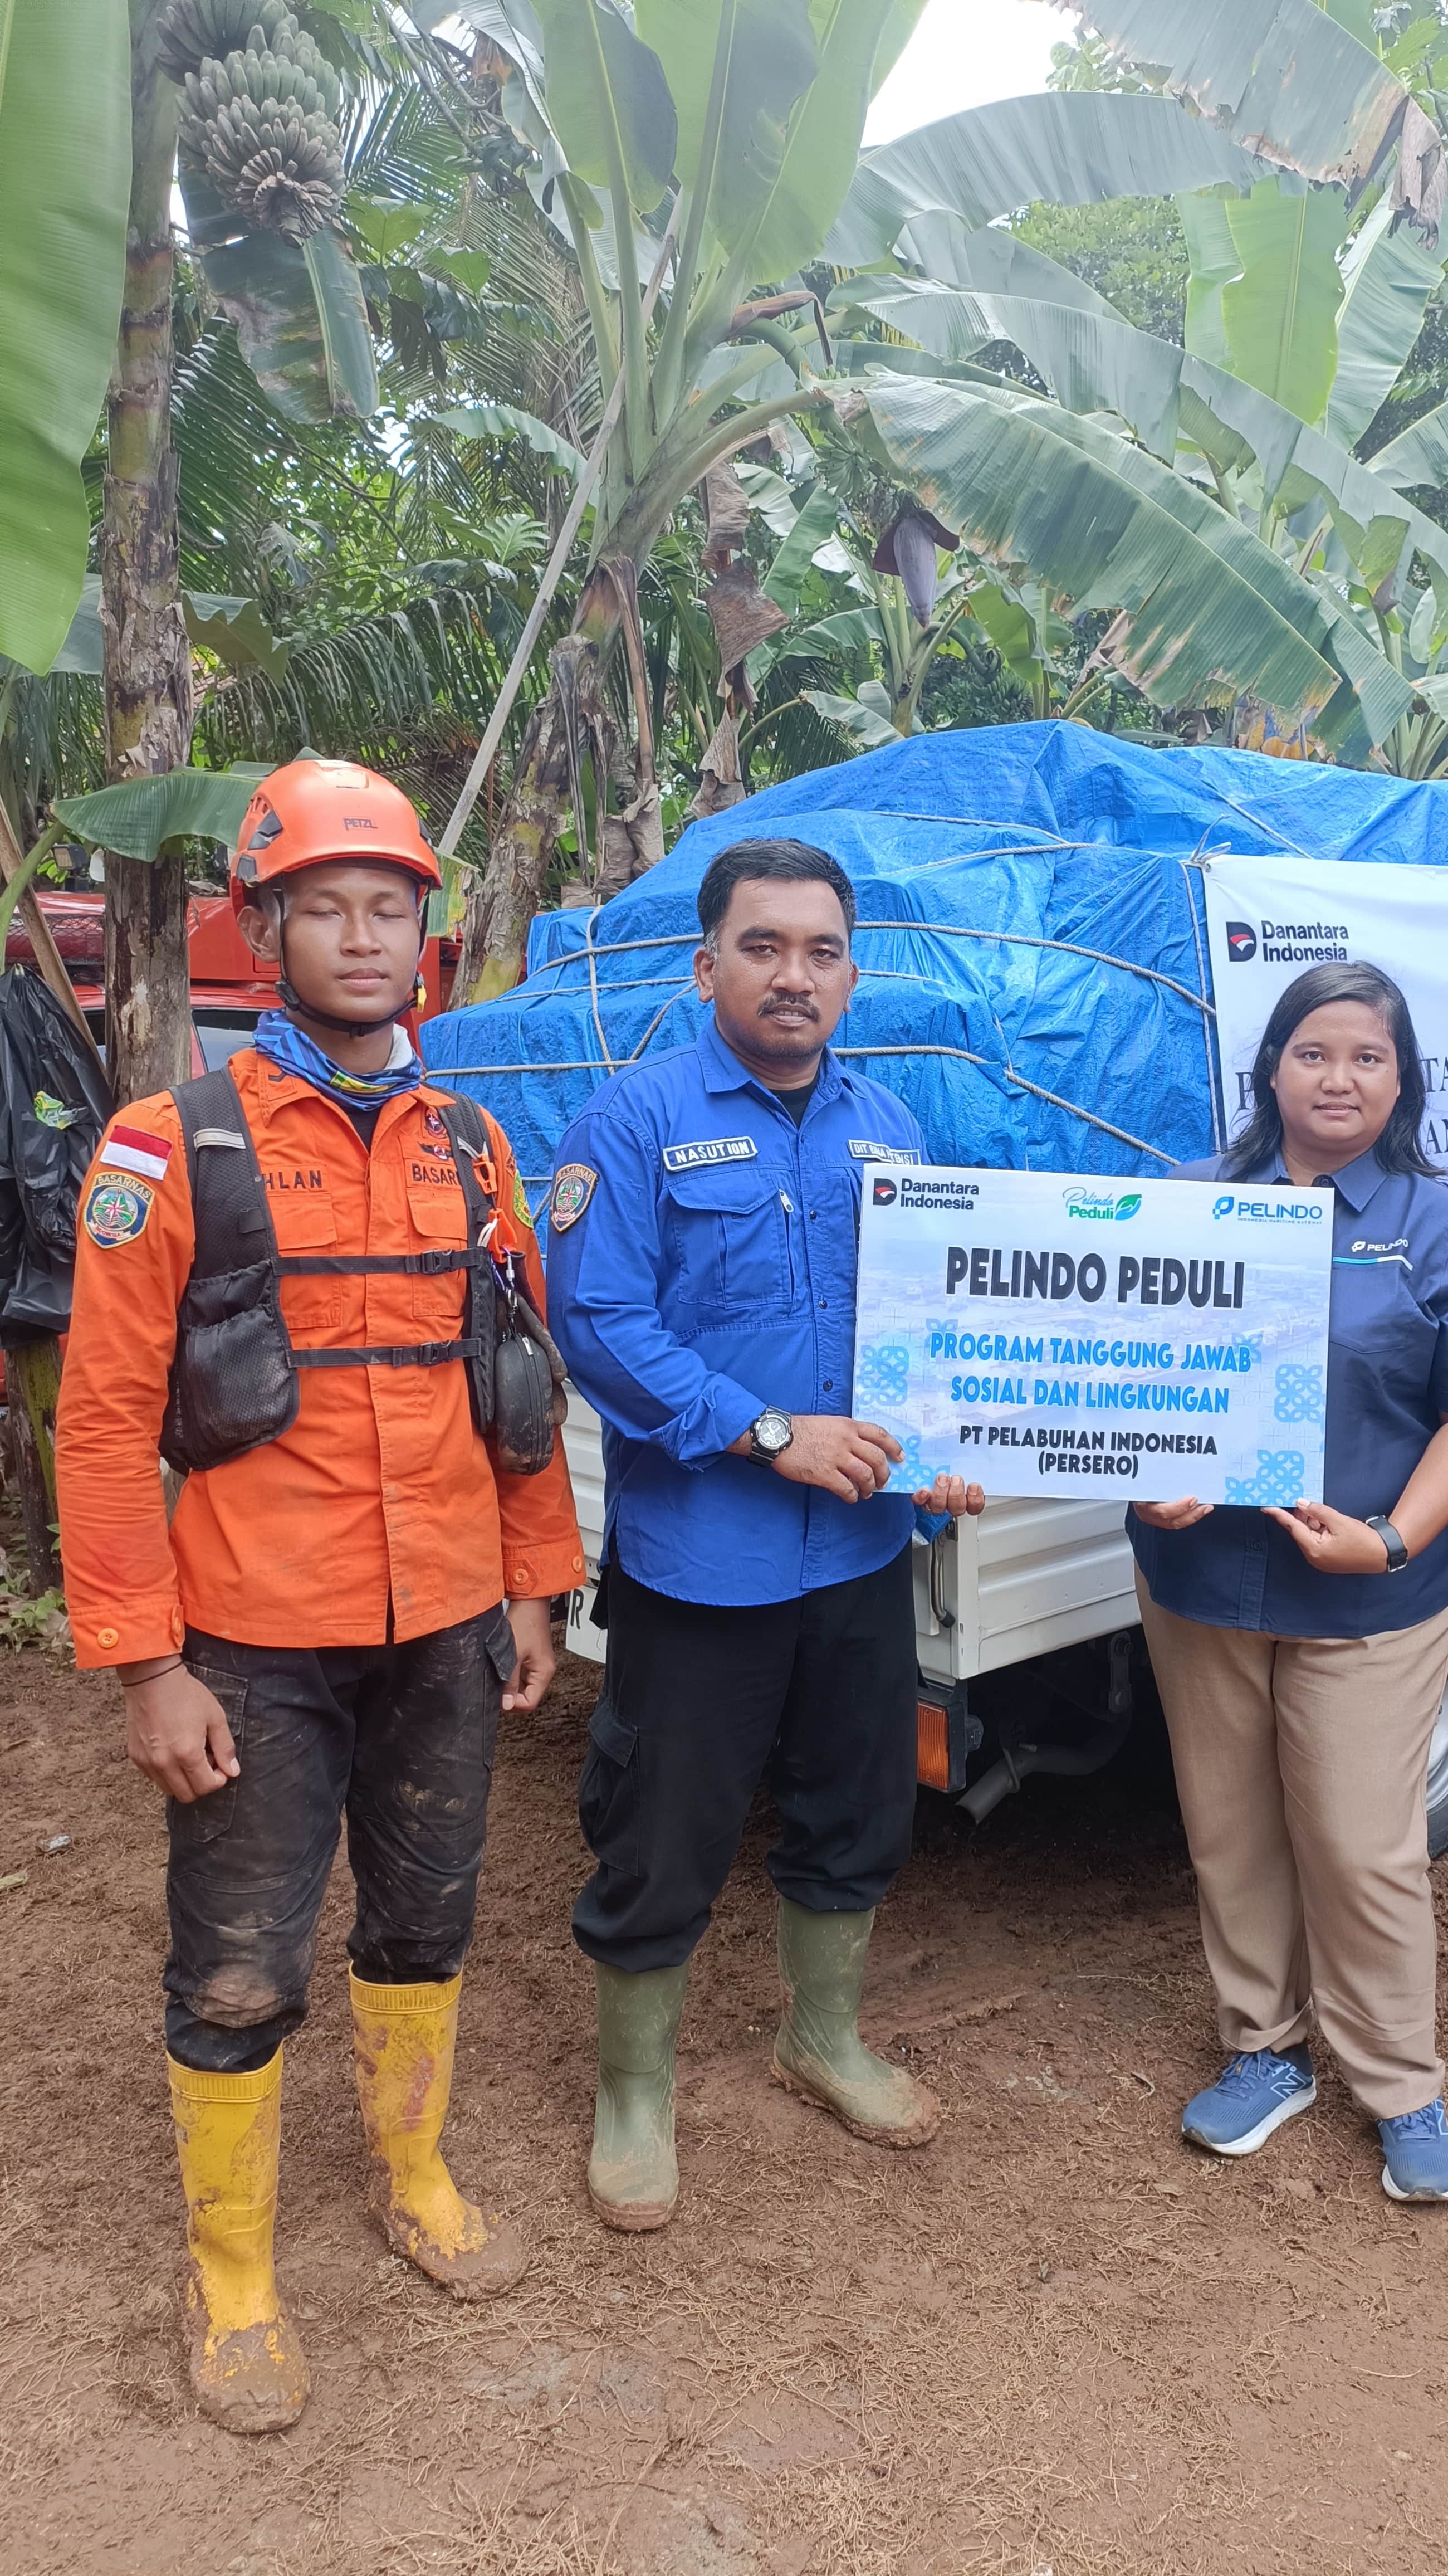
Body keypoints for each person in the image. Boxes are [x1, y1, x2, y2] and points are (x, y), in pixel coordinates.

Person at [57, 759, 584, 2434]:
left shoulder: (472, 1142)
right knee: (237, 1967)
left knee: (426, 1922)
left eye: (392, 907)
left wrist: (533, 1587)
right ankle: (232, 2279)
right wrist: (147, 1667)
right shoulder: (170, 1147)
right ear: (264, 927)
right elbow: (99, 1421)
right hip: (252, 1645)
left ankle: (409, 2175)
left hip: (439, 1624)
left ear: (426, 931)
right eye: (326, 908)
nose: (364, 937)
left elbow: (516, 1375)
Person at [545, 835, 984, 2233]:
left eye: (820, 950)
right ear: (708, 963)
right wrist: (767, 1428)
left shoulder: (895, 1131)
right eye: (762, 946)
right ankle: (634, 2095)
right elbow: (599, 1321)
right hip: (701, 1557)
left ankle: (824, 2035)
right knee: (664, 1829)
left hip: (859, 1557)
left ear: (853, 972)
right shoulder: (636, 1119)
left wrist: (947, 1454)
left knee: (858, 1803)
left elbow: (924, 1336)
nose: (792, 975)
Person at [1132, 962, 1448, 2203]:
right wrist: (1147, 1473)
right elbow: (1114, 1372)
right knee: (1231, 1828)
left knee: (1365, 1845)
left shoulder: (1434, 1223)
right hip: (1203, 1582)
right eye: (1315, 1051)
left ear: (1401, 1077)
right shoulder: (1190, 1200)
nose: (1340, 1077)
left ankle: (1398, 2077)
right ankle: (1265, 2047)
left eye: (1368, 1055)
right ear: (1271, 1067)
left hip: (1370, 1594)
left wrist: (1398, 1536)